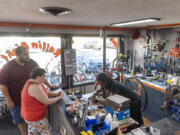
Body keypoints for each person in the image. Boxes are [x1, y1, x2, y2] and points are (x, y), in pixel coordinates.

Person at [0, 46, 59, 135]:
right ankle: (24, 133)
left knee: (34, 118)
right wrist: (8, 100)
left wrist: (50, 85)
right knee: (19, 119)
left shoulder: (31, 62)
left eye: (28, 54)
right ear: (17, 55)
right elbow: (2, 84)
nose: (28, 56)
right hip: (16, 99)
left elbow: (41, 74)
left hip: (32, 98)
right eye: (25, 55)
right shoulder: (8, 67)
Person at [21, 67, 64, 135]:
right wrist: (60, 97)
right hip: (35, 117)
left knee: (33, 129)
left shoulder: (35, 82)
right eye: (44, 76)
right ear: (38, 76)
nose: (45, 78)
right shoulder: (33, 87)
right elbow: (47, 101)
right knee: (46, 131)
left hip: (29, 116)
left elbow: (44, 92)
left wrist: (55, 94)